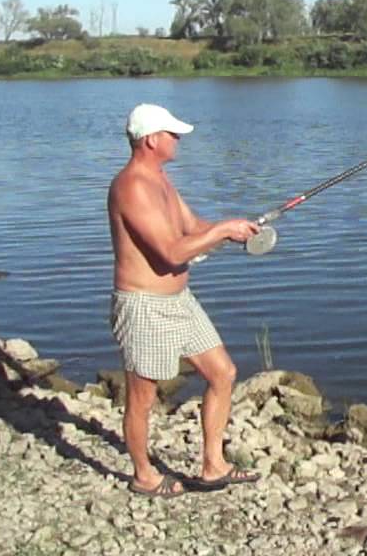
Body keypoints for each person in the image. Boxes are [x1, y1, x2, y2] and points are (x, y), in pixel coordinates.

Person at [107, 103, 261, 497]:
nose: (178, 141)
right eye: (172, 135)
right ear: (151, 139)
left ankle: (214, 465)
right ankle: (144, 475)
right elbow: (172, 253)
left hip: (180, 300)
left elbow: (194, 229)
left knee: (222, 373)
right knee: (143, 397)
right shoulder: (132, 186)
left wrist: (234, 228)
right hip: (144, 305)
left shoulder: (161, 179)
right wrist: (222, 230)